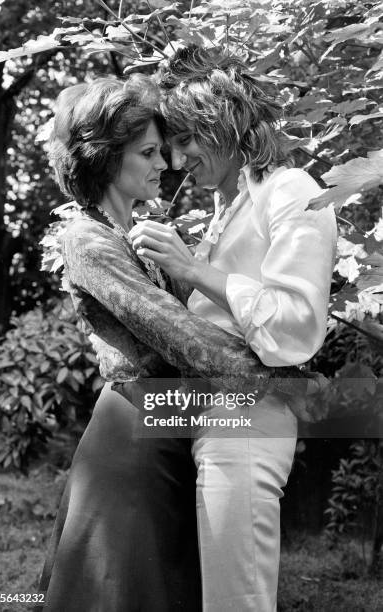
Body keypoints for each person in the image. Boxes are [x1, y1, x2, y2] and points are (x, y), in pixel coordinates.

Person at [37, 74, 307, 612]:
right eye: (149, 152)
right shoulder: (86, 239)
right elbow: (182, 338)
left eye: (164, 150)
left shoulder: (136, 236)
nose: (167, 164)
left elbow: (203, 314)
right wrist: (285, 384)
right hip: (130, 439)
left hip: (171, 426)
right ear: (105, 158)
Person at [129, 45, 337, 611]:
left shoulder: (291, 189)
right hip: (196, 409)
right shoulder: (223, 214)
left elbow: (295, 327)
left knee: (235, 597)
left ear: (222, 124)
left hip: (247, 416)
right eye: (169, 149)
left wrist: (195, 270)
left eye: (188, 141)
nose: (177, 160)